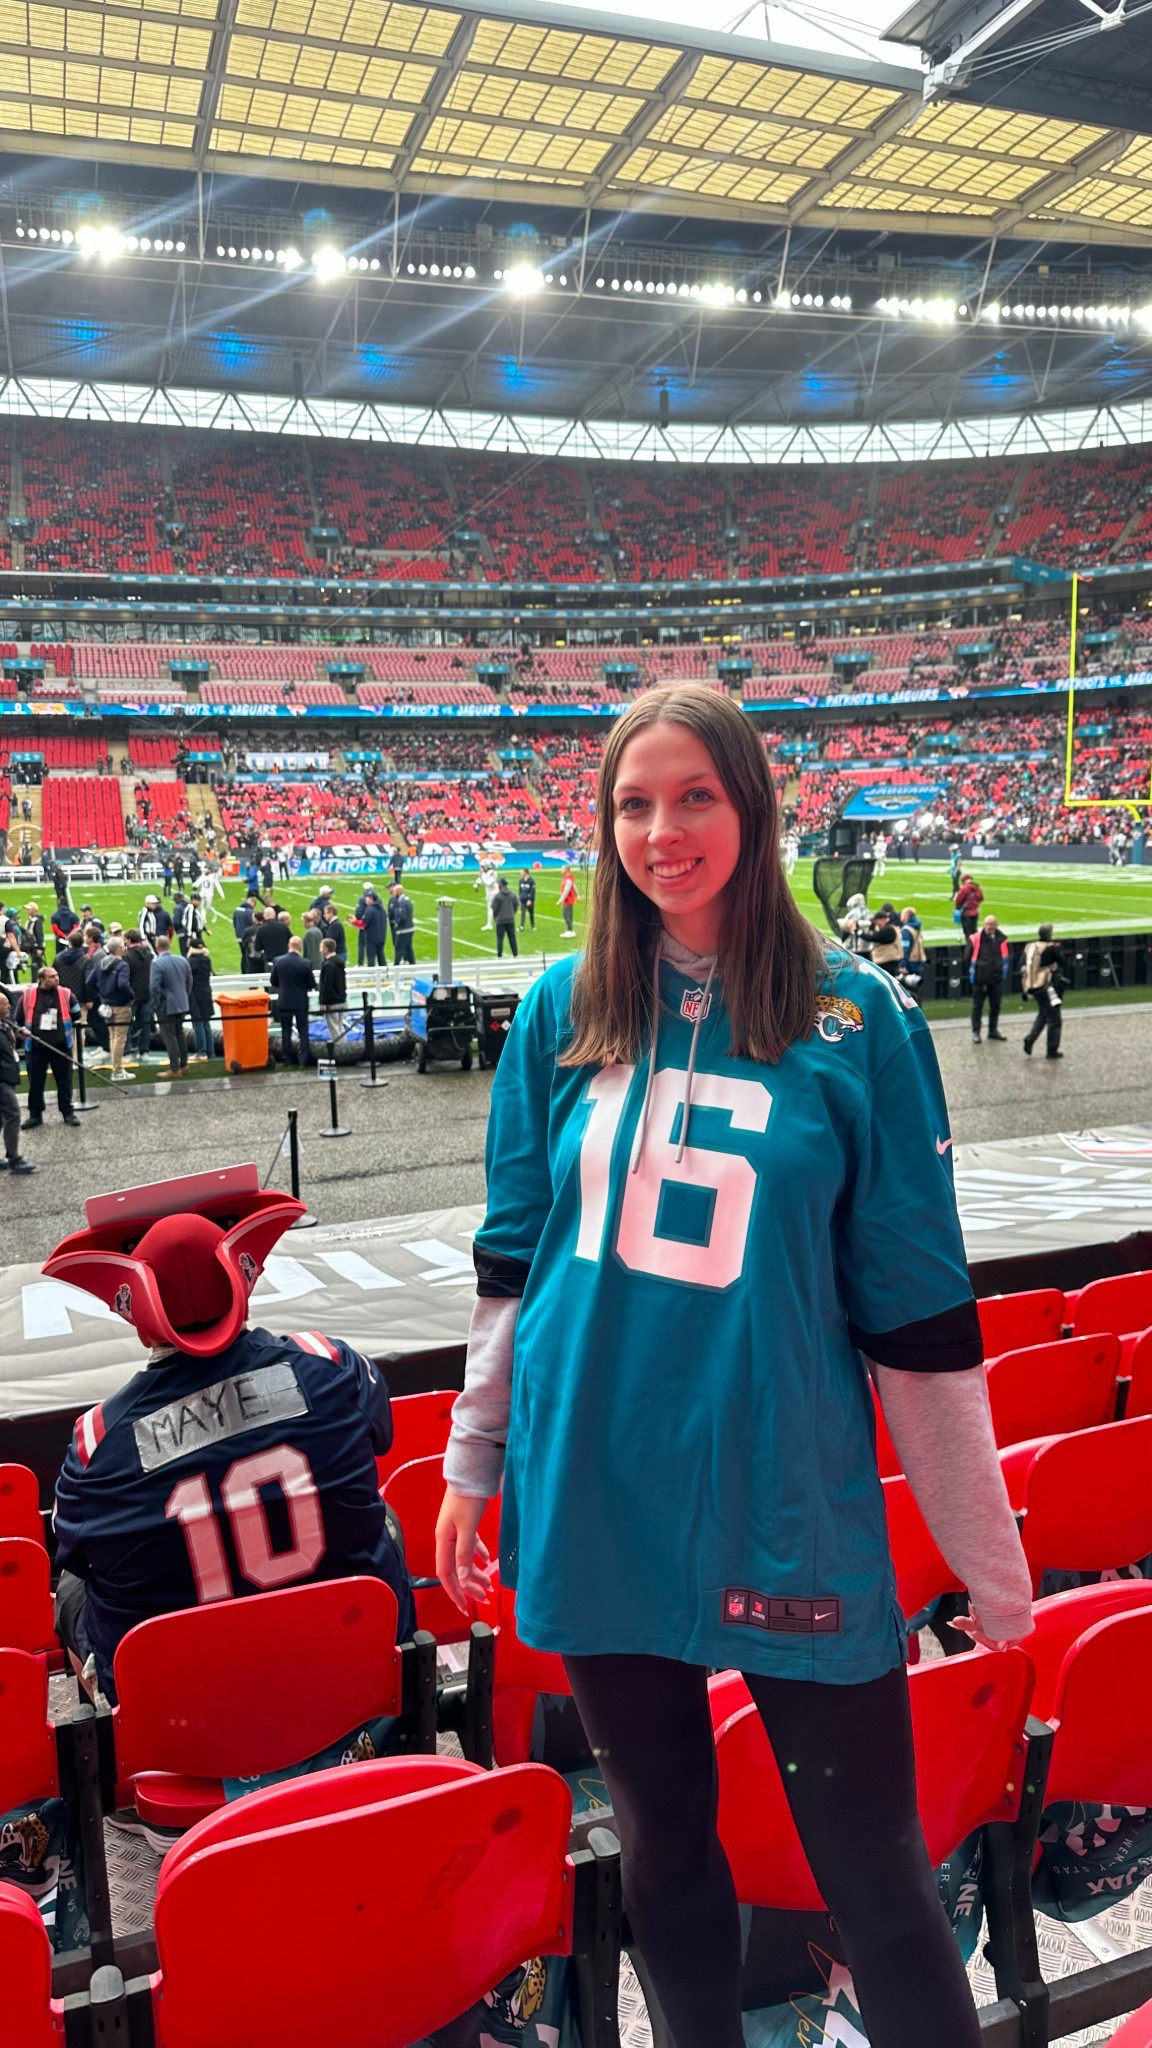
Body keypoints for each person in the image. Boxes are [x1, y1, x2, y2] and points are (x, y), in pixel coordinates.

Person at [436, 683, 1032, 2048]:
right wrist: (475, 1460)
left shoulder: (861, 1018)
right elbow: (512, 1260)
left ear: (753, 808)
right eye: (634, 804)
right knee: (661, 1846)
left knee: (876, 1875)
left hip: (783, 1492)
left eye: (695, 795)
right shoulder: (560, 1006)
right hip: (596, 1485)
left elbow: (918, 1318)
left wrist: (988, 1559)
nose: (664, 831)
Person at [46, 1171, 415, 1708]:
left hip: (184, 1718)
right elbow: (381, 1435)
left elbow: (75, 1552)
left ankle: (107, 1731)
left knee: (74, 1587)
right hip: (351, 1682)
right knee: (382, 1515)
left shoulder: (95, 1444)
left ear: (141, 1321)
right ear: (242, 1285)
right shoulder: (332, 1365)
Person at [13, 965, 81, 1127]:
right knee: (35, 1083)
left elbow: (76, 1013)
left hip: (61, 1047)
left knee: (65, 1082)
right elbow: (19, 1019)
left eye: (56, 975)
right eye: (51, 976)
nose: (56, 978)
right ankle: (35, 1115)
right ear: (41, 979)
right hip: (35, 1048)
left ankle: (68, 1112)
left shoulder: (66, 994)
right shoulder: (28, 995)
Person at [89, 935, 135, 1082]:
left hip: (107, 1005)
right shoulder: (122, 965)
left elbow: (89, 982)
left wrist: (102, 994)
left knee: (113, 1036)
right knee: (119, 1038)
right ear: (120, 949)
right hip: (121, 1005)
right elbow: (123, 985)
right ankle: (117, 1070)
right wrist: (131, 997)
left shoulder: (101, 963)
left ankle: (116, 1067)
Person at [0, 989, 36, 1173]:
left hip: (7, 1075)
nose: (9, 1006)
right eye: (5, 1004)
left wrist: (18, 1035)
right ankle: (14, 1158)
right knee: (13, 1114)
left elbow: (11, 1045)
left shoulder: (5, 1024)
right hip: (1, 1080)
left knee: (1, 1117)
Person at [149, 935, 193, 1079]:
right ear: (170, 945)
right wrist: (184, 997)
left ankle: (175, 1068)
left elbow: (154, 987)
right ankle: (184, 1065)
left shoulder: (157, 963)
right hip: (181, 1003)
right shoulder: (182, 960)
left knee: (169, 1036)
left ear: (157, 947)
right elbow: (189, 982)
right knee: (179, 1033)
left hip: (166, 1006)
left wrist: (156, 1004)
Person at [269, 937, 315, 1067]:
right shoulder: (306, 963)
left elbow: (273, 981)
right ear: (300, 947)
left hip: (284, 1001)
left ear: (289, 945)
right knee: (303, 1032)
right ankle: (303, 1060)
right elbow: (311, 983)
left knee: (286, 1031)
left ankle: (287, 1060)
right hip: (300, 1002)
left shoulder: (278, 961)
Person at [1021, 923, 1064, 1060]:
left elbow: (1022, 965)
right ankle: (1052, 1050)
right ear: (1049, 935)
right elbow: (1063, 962)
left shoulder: (1030, 947)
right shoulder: (1050, 948)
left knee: (1044, 1013)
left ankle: (1031, 1039)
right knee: (1054, 1019)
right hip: (1045, 985)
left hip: (1031, 985)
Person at [969, 914, 1009, 1044]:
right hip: (980, 979)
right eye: (987, 924)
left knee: (995, 1006)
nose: (989, 926)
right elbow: (967, 957)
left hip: (996, 979)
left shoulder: (1001, 939)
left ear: (996, 925)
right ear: (983, 925)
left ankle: (993, 1030)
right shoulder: (976, 939)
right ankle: (976, 1032)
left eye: (992, 924)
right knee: (977, 1007)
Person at [123, 929, 154, 1063]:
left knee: (127, 1024)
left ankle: (127, 1052)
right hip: (147, 994)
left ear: (129, 940)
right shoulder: (149, 954)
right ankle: (144, 1051)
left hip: (132, 996)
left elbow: (125, 978)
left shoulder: (127, 956)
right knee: (145, 1024)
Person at [187, 940, 215, 1062]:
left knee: (198, 1023)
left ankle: (201, 1052)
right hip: (206, 993)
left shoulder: (190, 962)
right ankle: (210, 1052)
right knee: (206, 1023)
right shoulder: (207, 960)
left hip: (195, 995)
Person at [318, 937, 347, 1042]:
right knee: (340, 1027)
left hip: (332, 1002)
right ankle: (345, 1047)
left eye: (321, 947)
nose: (320, 950)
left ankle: (340, 1049)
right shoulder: (339, 962)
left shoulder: (328, 965)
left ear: (326, 949)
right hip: (341, 1000)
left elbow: (327, 985)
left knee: (334, 1029)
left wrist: (323, 1002)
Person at [357, 888, 387, 969]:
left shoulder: (369, 910)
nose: (366, 899)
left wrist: (354, 922)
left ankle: (371, 974)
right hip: (381, 937)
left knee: (371, 959)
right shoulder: (382, 909)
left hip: (371, 938)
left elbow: (364, 923)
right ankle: (384, 973)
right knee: (381, 957)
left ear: (371, 899)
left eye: (367, 897)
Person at [491, 877, 519, 958]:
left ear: (501, 885)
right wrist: (512, 913)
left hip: (500, 920)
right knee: (512, 938)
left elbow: (494, 909)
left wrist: (496, 917)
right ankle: (515, 954)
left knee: (500, 939)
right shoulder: (513, 894)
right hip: (510, 919)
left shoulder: (498, 896)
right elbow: (516, 906)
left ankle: (499, 955)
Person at [388, 883, 415, 966]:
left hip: (403, 929)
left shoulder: (401, 902)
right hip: (410, 928)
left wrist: (397, 924)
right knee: (409, 949)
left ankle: (396, 966)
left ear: (398, 892)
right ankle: (413, 965)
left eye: (394, 892)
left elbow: (402, 916)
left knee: (399, 948)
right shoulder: (407, 899)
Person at [954, 873, 983, 940]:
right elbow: (981, 898)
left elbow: (958, 901)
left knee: (968, 933)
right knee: (974, 932)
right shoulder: (977, 887)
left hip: (966, 913)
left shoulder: (964, 888)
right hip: (975, 912)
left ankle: (970, 946)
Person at [178, 892, 205, 957]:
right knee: (194, 953)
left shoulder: (194, 909)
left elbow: (198, 921)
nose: (199, 902)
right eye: (198, 900)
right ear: (193, 900)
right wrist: (189, 937)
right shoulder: (190, 907)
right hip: (191, 934)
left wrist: (205, 930)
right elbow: (189, 922)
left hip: (194, 934)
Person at [477, 856, 500, 931]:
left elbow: (488, 883)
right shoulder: (485, 873)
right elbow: (480, 881)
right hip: (488, 891)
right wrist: (477, 884)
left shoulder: (493, 873)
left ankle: (489, 924)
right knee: (491, 908)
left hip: (494, 891)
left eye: (483, 867)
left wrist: (481, 876)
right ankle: (492, 923)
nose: (482, 868)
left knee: (491, 908)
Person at [558, 866, 577, 936]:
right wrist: (577, 895)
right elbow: (574, 886)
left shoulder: (568, 879)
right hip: (568, 899)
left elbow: (567, 891)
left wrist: (560, 900)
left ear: (566, 870)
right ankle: (570, 930)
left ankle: (570, 930)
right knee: (569, 915)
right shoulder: (567, 878)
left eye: (562, 869)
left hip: (568, 900)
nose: (561, 870)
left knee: (566, 915)